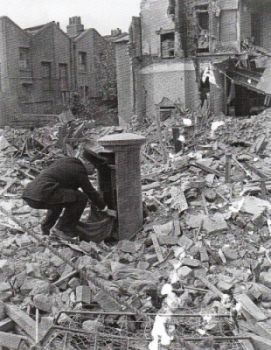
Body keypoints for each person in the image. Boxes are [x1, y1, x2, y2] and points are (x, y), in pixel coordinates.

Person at [22, 157, 115, 236]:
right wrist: (104, 208)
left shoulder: (67, 162)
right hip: (42, 193)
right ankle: (64, 229)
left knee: (60, 201)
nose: (94, 171)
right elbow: (90, 191)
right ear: (87, 163)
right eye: (94, 167)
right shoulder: (79, 170)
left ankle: (46, 229)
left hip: (31, 194)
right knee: (81, 198)